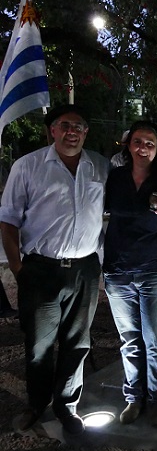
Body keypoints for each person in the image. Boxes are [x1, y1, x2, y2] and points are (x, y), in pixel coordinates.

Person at [1, 104, 109, 434]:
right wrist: (19, 268)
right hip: (40, 270)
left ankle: (67, 405)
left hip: (84, 270)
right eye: (64, 125)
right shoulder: (28, 166)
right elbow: (8, 220)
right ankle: (37, 403)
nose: (71, 131)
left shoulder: (100, 166)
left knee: (77, 343)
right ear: (52, 130)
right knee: (38, 346)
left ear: (86, 131)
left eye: (79, 126)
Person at [102, 120, 157, 426]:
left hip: (154, 268)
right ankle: (134, 397)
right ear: (128, 144)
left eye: (150, 143)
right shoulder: (114, 178)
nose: (143, 148)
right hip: (118, 270)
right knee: (129, 340)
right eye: (138, 141)